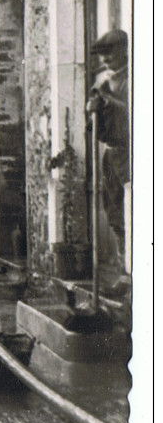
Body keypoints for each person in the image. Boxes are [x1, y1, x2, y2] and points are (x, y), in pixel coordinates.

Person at [86, 29, 130, 275]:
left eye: (109, 54)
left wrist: (108, 98)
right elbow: (96, 128)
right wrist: (93, 110)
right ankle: (124, 268)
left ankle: (135, 272)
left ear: (124, 50)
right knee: (114, 213)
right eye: (102, 56)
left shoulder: (135, 77)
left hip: (130, 155)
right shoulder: (103, 82)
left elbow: (137, 112)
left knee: (131, 210)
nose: (105, 60)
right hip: (111, 155)